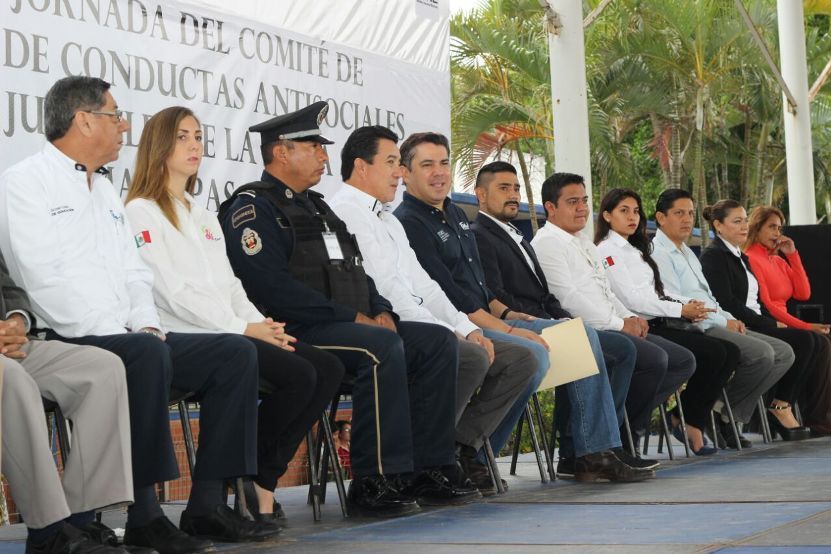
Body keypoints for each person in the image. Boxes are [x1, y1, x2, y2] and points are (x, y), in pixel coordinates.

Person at [0, 76, 277, 553]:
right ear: (85, 121)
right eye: (115, 115)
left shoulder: (106, 192)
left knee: (233, 355)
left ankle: (207, 504)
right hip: (71, 332)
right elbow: (40, 279)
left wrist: (146, 323)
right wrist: (126, 333)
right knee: (143, 356)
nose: (124, 125)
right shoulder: (24, 182)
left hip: (129, 333)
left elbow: (135, 273)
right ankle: (144, 514)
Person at [218, 102, 480, 517]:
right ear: (282, 152)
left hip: (347, 326)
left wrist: (381, 310)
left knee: (435, 342)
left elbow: (359, 271)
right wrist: (353, 318)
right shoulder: (254, 208)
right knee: (379, 348)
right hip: (296, 329)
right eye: (314, 147)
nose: (324, 157)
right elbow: (270, 287)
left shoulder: (319, 208)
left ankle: (428, 468)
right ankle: (373, 480)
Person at [124, 106, 345, 524]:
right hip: (186, 335)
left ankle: (259, 474)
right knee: (292, 372)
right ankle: (226, 490)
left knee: (325, 367)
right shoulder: (140, 210)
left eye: (198, 137)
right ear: (158, 145)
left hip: (231, 330)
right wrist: (244, 328)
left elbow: (230, 286)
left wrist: (261, 325)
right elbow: (170, 292)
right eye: (182, 137)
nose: (194, 145)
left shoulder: (202, 213)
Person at [394, 133, 654, 483]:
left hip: (489, 317)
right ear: (405, 172)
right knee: (545, 350)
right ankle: (485, 453)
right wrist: (505, 328)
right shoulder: (409, 222)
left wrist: (507, 314)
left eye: (443, 163)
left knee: (579, 336)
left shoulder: (453, 213)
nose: (439, 172)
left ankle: (592, 451)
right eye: (427, 164)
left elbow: (479, 287)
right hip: (456, 324)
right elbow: (449, 295)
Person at [329, 126, 537, 495]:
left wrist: (465, 327)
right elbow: (387, 291)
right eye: (392, 163)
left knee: (498, 354)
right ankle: (426, 462)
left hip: (415, 324)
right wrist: (449, 330)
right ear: (362, 167)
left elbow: (425, 285)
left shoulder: (387, 219)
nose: (398, 172)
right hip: (381, 326)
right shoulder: (346, 212)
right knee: (457, 350)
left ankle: (442, 455)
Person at [470, 161, 647, 472]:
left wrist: (564, 319)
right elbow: (494, 295)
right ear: (481, 195)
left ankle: (600, 447)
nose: (513, 195)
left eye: (516, 188)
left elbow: (546, 296)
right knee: (589, 339)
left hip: (541, 319)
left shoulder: (516, 235)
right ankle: (590, 450)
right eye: (503, 188)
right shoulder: (480, 234)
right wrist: (549, 322)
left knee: (602, 342)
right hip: (515, 323)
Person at [530, 174, 695, 453]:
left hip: (608, 324)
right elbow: (568, 298)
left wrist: (629, 318)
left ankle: (620, 431)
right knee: (646, 357)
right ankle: (608, 442)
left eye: (584, 201)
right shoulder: (548, 243)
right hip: (578, 328)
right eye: (572, 202)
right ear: (550, 207)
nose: (582, 208)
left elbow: (606, 292)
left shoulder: (583, 242)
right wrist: (619, 324)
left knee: (681, 360)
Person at [0, 249, 134, 554]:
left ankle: (79, 522)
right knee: (13, 380)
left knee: (103, 368)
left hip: (10, 345)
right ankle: (47, 534)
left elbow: (8, 289)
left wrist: (17, 320)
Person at [595, 189, 739, 454]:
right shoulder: (607, 250)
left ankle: (663, 419)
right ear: (606, 215)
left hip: (659, 320)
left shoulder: (634, 249)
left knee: (725, 352)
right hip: (640, 325)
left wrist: (688, 304)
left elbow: (658, 291)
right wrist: (680, 310)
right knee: (699, 356)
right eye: (624, 211)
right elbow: (632, 298)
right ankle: (630, 422)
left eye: (636, 211)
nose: (632, 217)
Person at [649, 189, 794, 448]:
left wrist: (729, 318)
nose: (687, 219)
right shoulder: (658, 252)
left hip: (714, 319)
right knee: (761, 353)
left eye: (690, 213)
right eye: (679, 213)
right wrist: (723, 321)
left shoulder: (686, 252)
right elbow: (676, 301)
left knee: (784, 353)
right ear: (661, 218)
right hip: (692, 325)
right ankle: (708, 414)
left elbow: (710, 299)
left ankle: (721, 412)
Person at [741, 205, 831, 436]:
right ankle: (811, 416)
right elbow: (766, 304)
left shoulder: (778, 260)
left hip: (786, 322)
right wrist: (806, 326)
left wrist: (792, 254)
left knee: (825, 342)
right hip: (766, 321)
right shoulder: (751, 258)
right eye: (771, 227)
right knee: (815, 341)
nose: (777, 233)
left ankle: (819, 416)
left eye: (779, 228)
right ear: (757, 228)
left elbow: (803, 293)